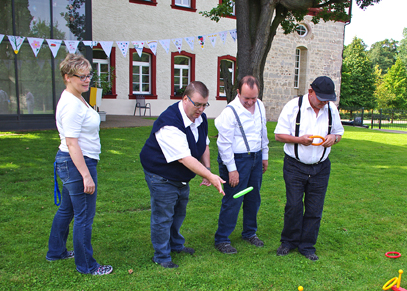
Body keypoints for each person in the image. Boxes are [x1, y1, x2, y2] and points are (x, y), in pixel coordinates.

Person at [140, 81, 225, 268]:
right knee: (163, 215)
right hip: (160, 173)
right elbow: (185, 159)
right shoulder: (169, 123)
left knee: (178, 212)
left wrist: (207, 170)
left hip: (181, 177)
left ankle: (176, 244)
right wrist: (211, 177)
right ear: (185, 98)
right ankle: (162, 256)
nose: (201, 109)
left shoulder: (199, 118)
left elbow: (204, 145)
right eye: (198, 104)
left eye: (205, 105)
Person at [47, 53, 113, 275]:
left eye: (89, 75)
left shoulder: (78, 98)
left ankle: (56, 251)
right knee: (84, 216)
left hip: (73, 161)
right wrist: (85, 175)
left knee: (67, 210)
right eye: (81, 76)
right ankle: (87, 266)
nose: (87, 80)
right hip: (78, 162)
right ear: (67, 77)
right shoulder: (72, 104)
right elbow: (72, 143)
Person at [274, 76, 344, 261]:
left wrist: (333, 139)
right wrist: (300, 140)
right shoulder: (293, 107)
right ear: (310, 91)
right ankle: (288, 242)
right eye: (321, 99)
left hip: (320, 168)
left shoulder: (331, 110)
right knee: (294, 206)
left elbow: (339, 133)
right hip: (294, 166)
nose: (324, 103)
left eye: (327, 99)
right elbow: (279, 136)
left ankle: (307, 246)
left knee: (314, 209)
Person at [214, 76, 269, 254]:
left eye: (254, 98)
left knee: (253, 198)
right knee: (233, 199)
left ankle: (249, 233)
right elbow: (223, 144)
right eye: (247, 98)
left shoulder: (259, 105)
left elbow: (263, 131)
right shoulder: (230, 112)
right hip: (236, 160)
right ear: (238, 93)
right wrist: (232, 169)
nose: (251, 102)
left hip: (255, 157)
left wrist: (264, 155)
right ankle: (222, 239)